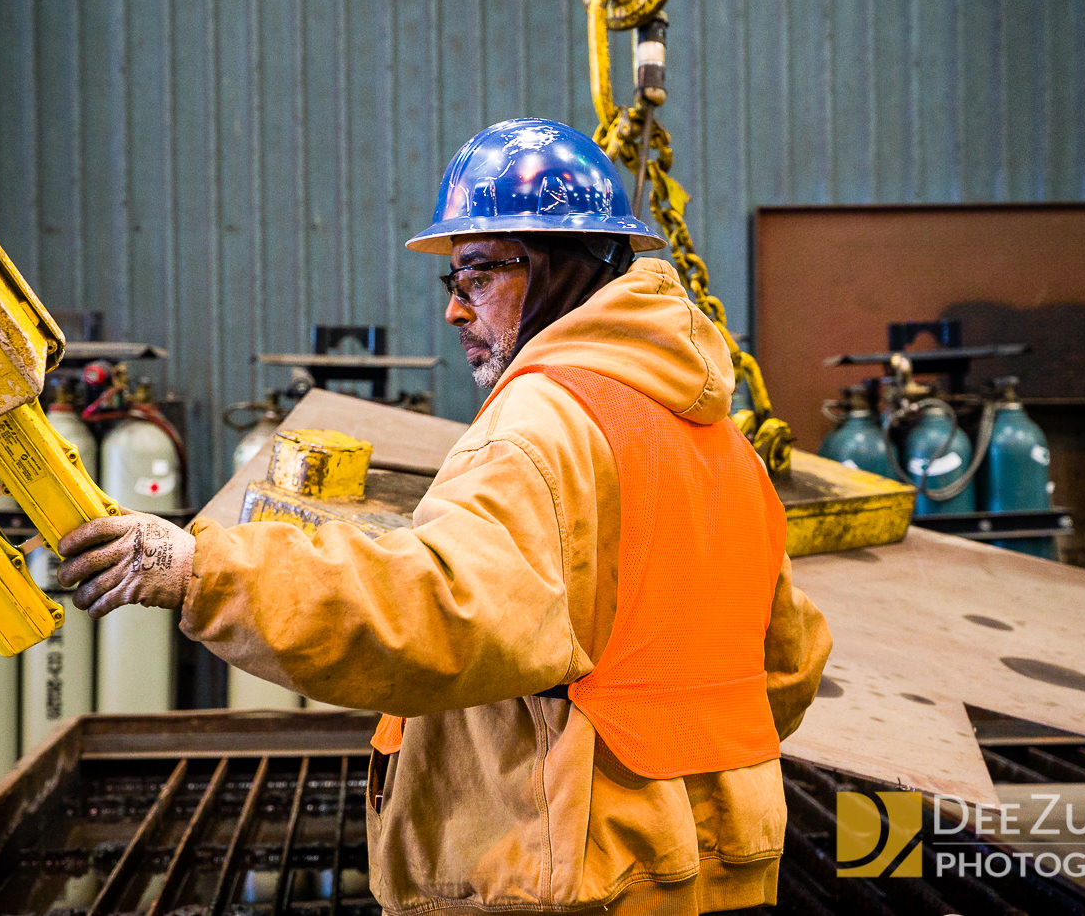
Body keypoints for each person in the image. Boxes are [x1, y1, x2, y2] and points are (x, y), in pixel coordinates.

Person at [58, 117, 831, 915]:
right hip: (719, 865)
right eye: (452, 285)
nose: (458, 312)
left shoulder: (543, 422)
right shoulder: (718, 441)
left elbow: (436, 611)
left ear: (561, 269)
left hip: (575, 881)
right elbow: (788, 664)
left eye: (479, 276)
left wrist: (199, 571)